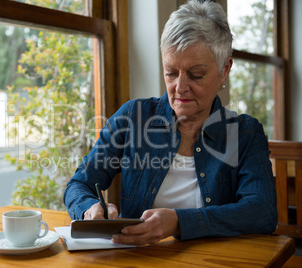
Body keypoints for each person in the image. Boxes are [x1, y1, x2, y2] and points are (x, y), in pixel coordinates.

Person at [63, 0, 277, 245]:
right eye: (171, 72)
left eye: (196, 75)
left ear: (225, 70)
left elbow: (263, 211)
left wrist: (179, 222)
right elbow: (78, 183)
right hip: (138, 260)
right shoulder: (133, 117)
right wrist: (89, 208)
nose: (180, 87)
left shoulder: (245, 133)